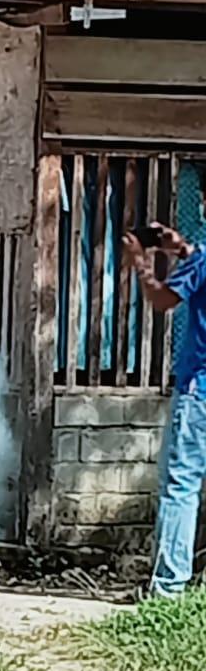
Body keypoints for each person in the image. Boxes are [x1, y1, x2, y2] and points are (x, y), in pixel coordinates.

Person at [124, 221, 206, 597]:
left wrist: (141, 262)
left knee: (182, 485)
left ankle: (169, 588)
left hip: (199, 390)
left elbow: (162, 301)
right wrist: (182, 249)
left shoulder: (203, 258)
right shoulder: (198, 256)